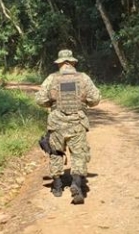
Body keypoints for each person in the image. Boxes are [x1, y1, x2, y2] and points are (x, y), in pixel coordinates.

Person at [35, 49, 101, 204]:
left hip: (56, 123)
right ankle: (76, 183)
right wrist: (86, 102)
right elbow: (95, 98)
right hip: (77, 122)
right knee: (78, 154)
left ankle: (57, 186)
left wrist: (51, 103)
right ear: (73, 62)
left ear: (59, 63)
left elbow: (39, 99)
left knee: (56, 152)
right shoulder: (83, 78)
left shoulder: (52, 78)